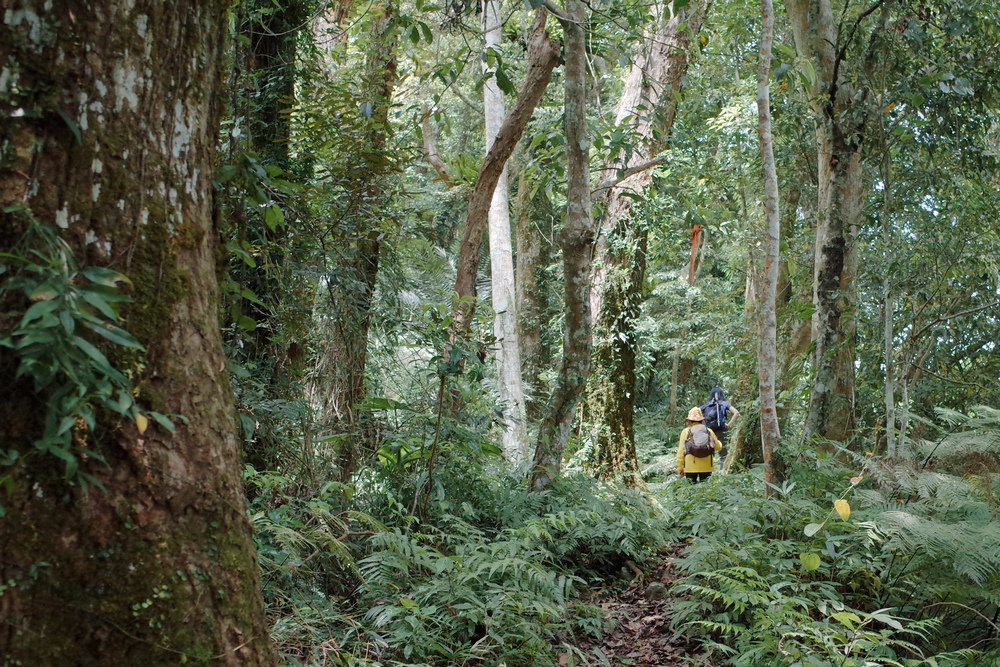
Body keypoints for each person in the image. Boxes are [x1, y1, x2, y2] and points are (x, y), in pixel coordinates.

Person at [677, 407, 722, 483]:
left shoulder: (686, 431)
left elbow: (681, 451)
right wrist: (719, 443)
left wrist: (680, 467)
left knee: (691, 490)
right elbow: (718, 447)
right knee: (704, 490)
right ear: (702, 420)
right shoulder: (708, 431)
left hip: (690, 466)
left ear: (689, 421)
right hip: (706, 466)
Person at [700, 386, 739, 466]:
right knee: (723, 454)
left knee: (707, 452)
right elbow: (736, 413)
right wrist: (728, 424)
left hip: (708, 431)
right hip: (721, 430)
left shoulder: (706, 405)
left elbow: (695, 412)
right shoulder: (724, 403)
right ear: (721, 394)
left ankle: (707, 474)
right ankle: (723, 474)